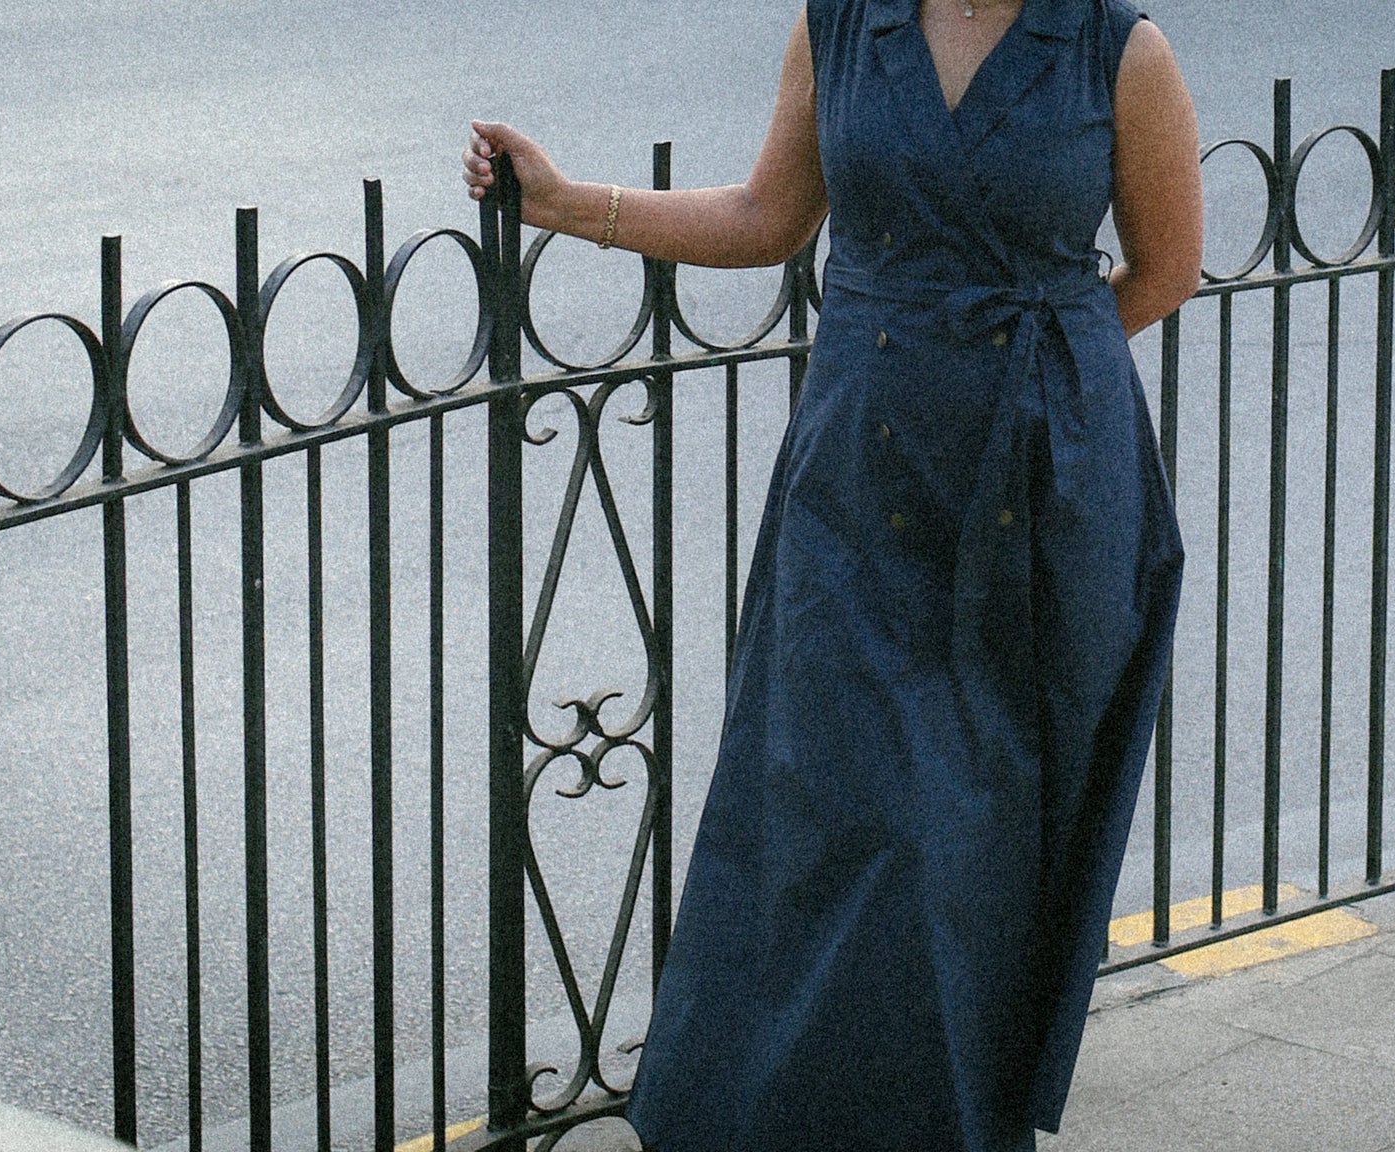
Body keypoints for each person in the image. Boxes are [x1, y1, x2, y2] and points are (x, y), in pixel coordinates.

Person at [461, 0, 1199, 1148]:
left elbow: (1163, 270)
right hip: (861, 477)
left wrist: (1032, 388)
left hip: (1039, 495)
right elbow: (767, 217)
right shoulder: (842, 24)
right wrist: (563, 205)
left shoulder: (1118, 48)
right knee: (836, 811)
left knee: (977, 839)